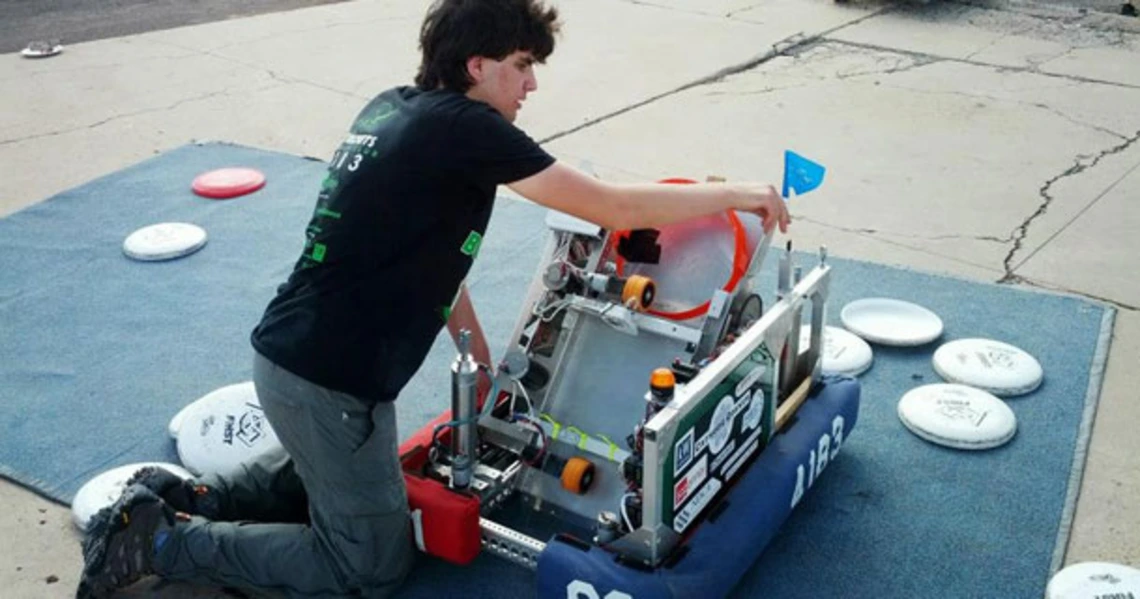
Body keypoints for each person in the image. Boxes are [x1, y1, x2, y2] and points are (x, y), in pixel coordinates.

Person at [75, 0, 790, 597]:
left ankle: (193, 498)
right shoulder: (468, 129)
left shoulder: (399, 110)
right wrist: (735, 193)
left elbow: (431, 257)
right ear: (477, 66)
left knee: (347, 469)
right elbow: (609, 207)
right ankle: (162, 544)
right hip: (325, 382)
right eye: (521, 64)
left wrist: (479, 361)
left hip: (303, 358)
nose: (530, 85)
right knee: (368, 566)